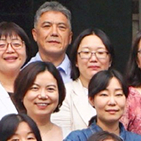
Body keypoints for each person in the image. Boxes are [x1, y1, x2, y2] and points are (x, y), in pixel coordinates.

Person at [28, 2, 95, 131]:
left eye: (61, 27)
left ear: (70, 37)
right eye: (47, 26)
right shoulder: (21, 75)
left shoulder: (81, 76)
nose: (54, 32)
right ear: (35, 34)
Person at [12, 62, 70, 141]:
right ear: (22, 92)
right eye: (35, 88)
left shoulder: (69, 139)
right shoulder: (6, 135)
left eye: (50, 89)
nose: (43, 95)